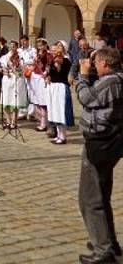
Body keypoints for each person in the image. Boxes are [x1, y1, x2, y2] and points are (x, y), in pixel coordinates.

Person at [77, 48, 123, 264]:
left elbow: (86, 98)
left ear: (105, 63)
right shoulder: (117, 79)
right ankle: (108, 240)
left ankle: (103, 250)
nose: (94, 65)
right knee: (102, 195)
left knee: (90, 199)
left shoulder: (110, 81)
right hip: (110, 143)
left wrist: (83, 77)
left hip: (99, 143)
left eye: (96, 62)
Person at [46, 41, 72, 144]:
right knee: (54, 111)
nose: (56, 51)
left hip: (61, 87)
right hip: (53, 86)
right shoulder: (52, 60)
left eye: (59, 48)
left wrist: (58, 66)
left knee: (60, 111)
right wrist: (48, 76)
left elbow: (63, 73)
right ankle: (58, 134)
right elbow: (51, 73)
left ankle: (63, 136)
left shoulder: (65, 61)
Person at [0, 40, 28, 130]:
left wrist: (17, 67)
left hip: (17, 79)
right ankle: (8, 120)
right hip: (7, 79)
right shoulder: (5, 57)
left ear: (16, 47)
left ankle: (14, 122)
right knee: (6, 100)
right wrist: (3, 70)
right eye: (10, 46)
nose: (12, 47)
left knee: (15, 101)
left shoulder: (20, 57)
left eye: (14, 46)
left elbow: (23, 69)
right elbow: (0, 67)